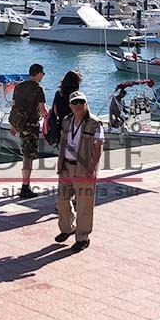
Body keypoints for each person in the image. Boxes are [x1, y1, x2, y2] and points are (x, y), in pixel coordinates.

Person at [54, 91, 105, 253]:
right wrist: (60, 164)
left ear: (86, 104)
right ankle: (68, 228)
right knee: (62, 200)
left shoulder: (94, 123)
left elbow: (98, 147)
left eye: (81, 102)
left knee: (84, 205)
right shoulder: (67, 121)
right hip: (66, 167)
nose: (78, 105)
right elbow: (63, 143)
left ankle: (82, 237)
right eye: (75, 102)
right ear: (70, 105)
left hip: (84, 169)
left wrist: (92, 168)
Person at [9, 63, 48, 199]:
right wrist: (50, 118)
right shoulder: (39, 89)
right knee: (28, 157)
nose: (43, 76)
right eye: (42, 74)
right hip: (31, 126)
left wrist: (13, 125)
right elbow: (42, 110)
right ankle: (25, 187)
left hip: (20, 125)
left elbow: (13, 106)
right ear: (37, 73)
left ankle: (25, 185)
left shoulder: (18, 87)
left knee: (25, 154)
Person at [51, 70, 83, 140]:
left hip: (61, 127)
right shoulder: (76, 97)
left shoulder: (58, 94)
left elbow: (54, 111)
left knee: (62, 149)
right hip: (74, 127)